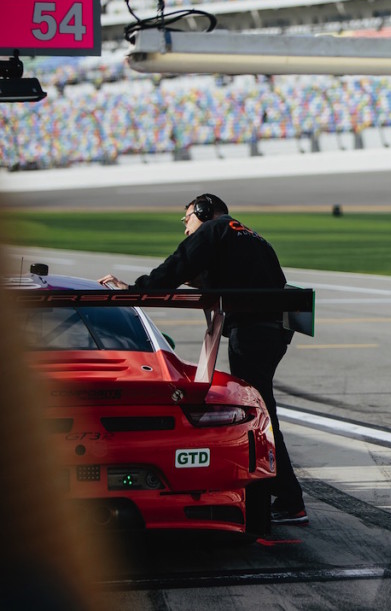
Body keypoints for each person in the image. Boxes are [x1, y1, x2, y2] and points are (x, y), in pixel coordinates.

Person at [99, 193, 308, 524]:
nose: (186, 231)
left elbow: (178, 264)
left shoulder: (213, 231)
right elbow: (230, 277)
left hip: (253, 331)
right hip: (273, 331)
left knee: (258, 414)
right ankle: (282, 495)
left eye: (187, 221)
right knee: (262, 408)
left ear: (203, 212)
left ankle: (287, 498)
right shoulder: (249, 235)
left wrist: (136, 288)